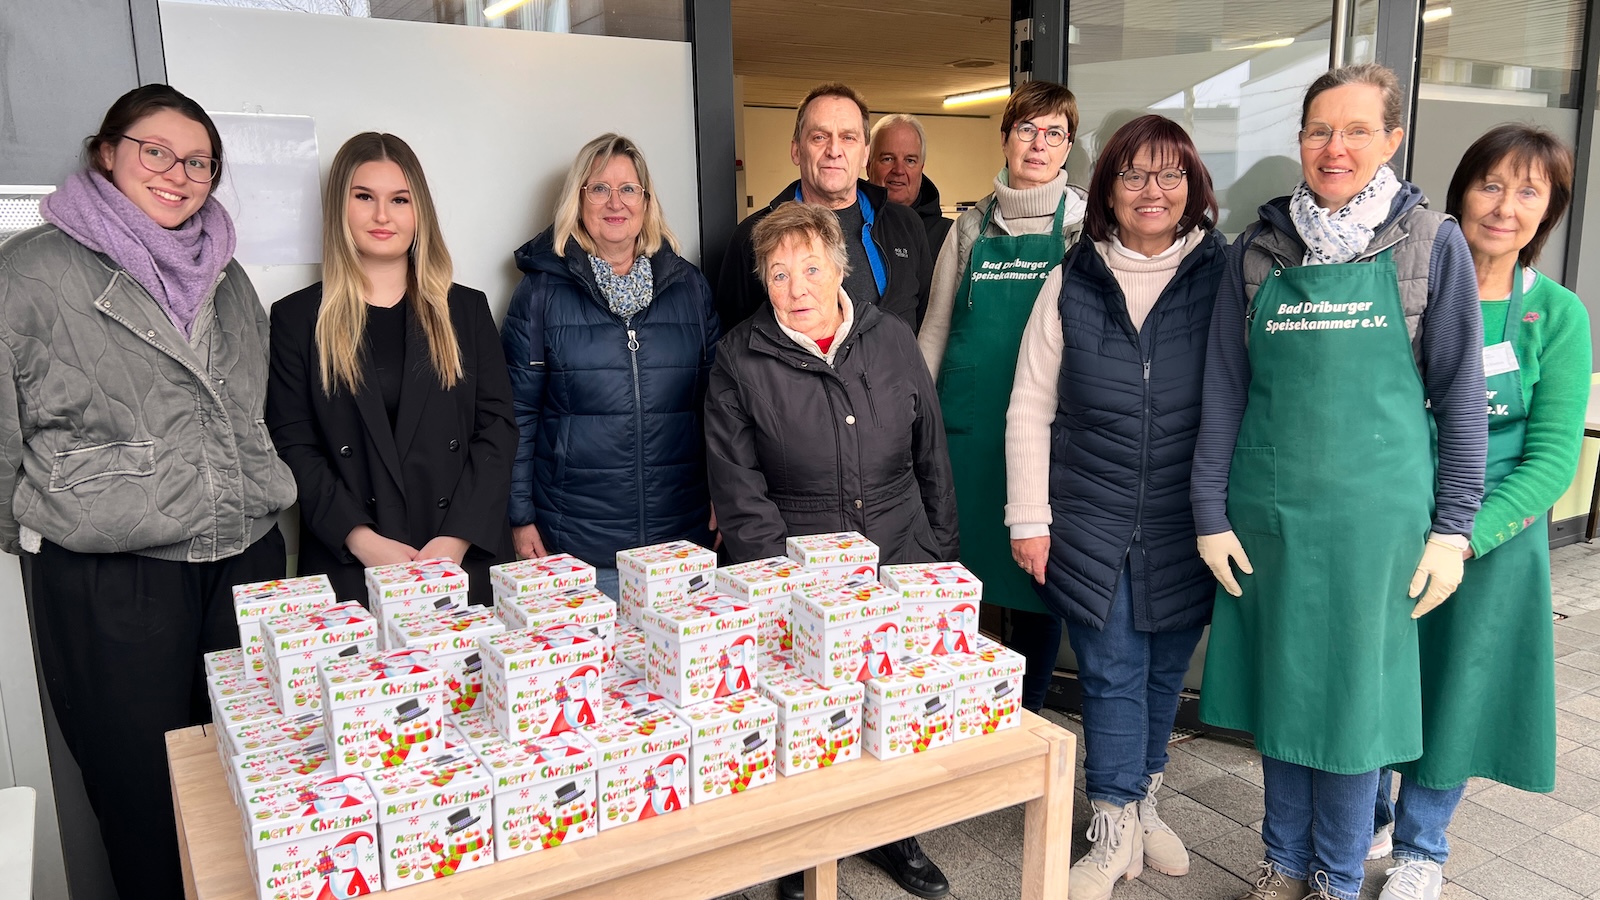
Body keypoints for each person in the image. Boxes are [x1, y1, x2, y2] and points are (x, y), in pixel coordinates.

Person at [1191, 64, 1486, 900]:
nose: (1336, 147)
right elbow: (1224, 388)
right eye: (1320, 129)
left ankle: (1336, 874)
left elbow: (1461, 397)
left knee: (1357, 711)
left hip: (1379, 525)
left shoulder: (1431, 244)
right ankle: (1283, 864)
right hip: (1271, 516)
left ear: (1392, 139)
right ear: (1300, 142)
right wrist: (1209, 513)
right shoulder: (1258, 248)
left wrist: (1452, 530)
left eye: (1358, 129)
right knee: (1285, 703)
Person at [3, 84, 296, 898]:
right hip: (115, 570)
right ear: (107, 152)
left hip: (240, 552)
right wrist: (35, 521)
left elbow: (251, 403)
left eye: (198, 161)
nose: (179, 174)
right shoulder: (32, 271)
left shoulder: (227, 274)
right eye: (155, 151)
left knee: (252, 772)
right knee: (142, 792)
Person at [705, 201, 957, 900]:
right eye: (779, 273)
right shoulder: (738, 357)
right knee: (809, 716)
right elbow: (738, 486)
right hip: (798, 564)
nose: (797, 288)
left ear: (840, 266)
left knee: (892, 705)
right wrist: (783, 589)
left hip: (898, 551)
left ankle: (895, 834)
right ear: (763, 280)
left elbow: (930, 451)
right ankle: (800, 851)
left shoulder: (892, 338)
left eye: (811, 268)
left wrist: (939, 553)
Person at [1007, 114, 1226, 900]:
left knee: (1165, 669)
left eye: (1170, 175)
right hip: (1088, 511)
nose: (1152, 191)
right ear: (1108, 188)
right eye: (1134, 174)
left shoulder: (1222, 278)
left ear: (1193, 186)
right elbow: (1030, 403)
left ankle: (1141, 803)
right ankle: (1109, 827)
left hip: (1186, 517)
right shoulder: (1072, 277)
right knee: (1107, 672)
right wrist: (1029, 519)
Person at [1371, 126, 1587, 900]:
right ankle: (1368, 813)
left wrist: (1463, 538)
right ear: (1461, 189)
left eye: (1530, 191)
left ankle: (1422, 850)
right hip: (1389, 524)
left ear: (1551, 210)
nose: (1506, 206)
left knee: (1457, 694)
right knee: (1376, 676)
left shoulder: (1555, 315)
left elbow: (1554, 460)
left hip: (1491, 545)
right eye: (1492, 183)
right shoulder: (1403, 288)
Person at [267, 133, 516, 609]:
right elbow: (293, 442)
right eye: (364, 197)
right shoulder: (298, 318)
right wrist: (362, 540)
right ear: (340, 206)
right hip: (350, 563)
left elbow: (498, 431)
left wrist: (456, 538)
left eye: (399, 199)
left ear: (418, 210)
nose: (383, 215)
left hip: (461, 560)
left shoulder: (465, 309)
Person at [919, 79, 1087, 713]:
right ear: (1006, 138)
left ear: (1068, 146)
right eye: (1026, 131)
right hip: (966, 430)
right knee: (966, 573)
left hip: (1045, 432)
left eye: (1053, 134)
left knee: (1037, 576)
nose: (1038, 145)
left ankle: (1029, 708)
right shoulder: (968, 227)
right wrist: (914, 418)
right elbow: (935, 326)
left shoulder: (1083, 228)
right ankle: (963, 704)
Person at [501, 133, 719, 597]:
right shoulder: (540, 294)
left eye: (628, 189)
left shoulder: (690, 289)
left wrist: (726, 495)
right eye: (599, 188)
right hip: (577, 546)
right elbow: (515, 415)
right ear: (578, 200)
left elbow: (719, 408)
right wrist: (520, 517)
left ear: (646, 201)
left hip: (681, 544)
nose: (614, 202)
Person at [715, 83, 933, 331]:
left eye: (848, 138)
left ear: (865, 154)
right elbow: (733, 340)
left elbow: (926, 324)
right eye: (820, 137)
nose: (834, 151)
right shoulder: (753, 237)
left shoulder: (906, 226)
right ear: (796, 150)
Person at [869, 113, 953, 259]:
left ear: (921, 168)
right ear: (869, 165)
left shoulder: (949, 237)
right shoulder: (847, 227)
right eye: (888, 159)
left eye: (910, 160)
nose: (899, 170)